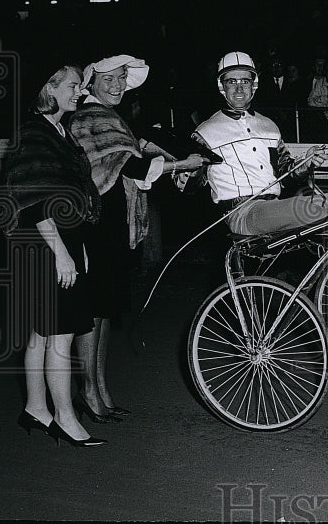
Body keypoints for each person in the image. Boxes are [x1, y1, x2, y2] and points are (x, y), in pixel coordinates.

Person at [68, 55, 206, 422]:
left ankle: (99, 389)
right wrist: (179, 165)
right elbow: (128, 165)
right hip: (94, 218)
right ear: (92, 81)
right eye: (110, 78)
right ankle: (88, 392)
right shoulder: (88, 116)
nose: (117, 85)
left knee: (106, 309)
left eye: (122, 78)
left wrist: (164, 155)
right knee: (95, 307)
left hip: (115, 218)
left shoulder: (112, 117)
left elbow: (133, 155)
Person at [4, 62, 106, 447]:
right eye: (73, 85)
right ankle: (65, 417)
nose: (80, 91)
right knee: (60, 335)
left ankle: (35, 407)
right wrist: (63, 254)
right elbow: (34, 201)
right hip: (46, 243)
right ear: (49, 88)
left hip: (53, 242)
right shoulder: (33, 133)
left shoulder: (55, 130)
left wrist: (76, 248)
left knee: (41, 334)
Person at [180, 51, 328, 239]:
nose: (239, 88)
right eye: (232, 82)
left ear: (254, 85)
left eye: (245, 81)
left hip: (274, 207)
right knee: (301, 207)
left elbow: (285, 175)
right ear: (221, 87)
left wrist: (306, 163)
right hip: (242, 213)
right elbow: (190, 187)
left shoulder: (269, 127)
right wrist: (189, 169)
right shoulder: (205, 133)